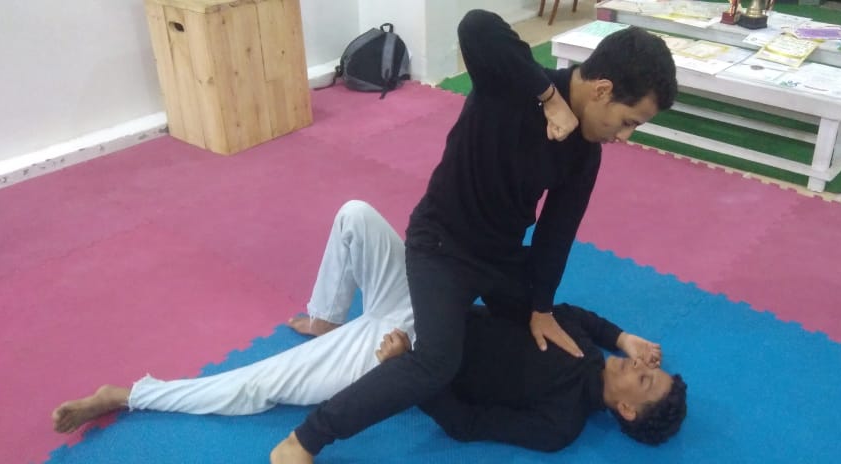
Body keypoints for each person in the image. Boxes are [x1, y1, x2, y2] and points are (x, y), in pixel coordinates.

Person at [274, 9, 679, 462]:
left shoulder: (585, 153)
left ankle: (455, 346)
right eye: (628, 121)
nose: (625, 136)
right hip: (442, 246)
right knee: (435, 364)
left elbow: (556, 234)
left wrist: (541, 308)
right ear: (602, 90)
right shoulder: (510, 82)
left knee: (553, 325)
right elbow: (476, 26)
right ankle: (303, 441)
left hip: (500, 257)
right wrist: (548, 97)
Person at [52, 201, 687, 453]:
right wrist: (622, 337)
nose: (642, 367)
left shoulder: (559, 424)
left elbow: (468, 424)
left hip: (403, 351)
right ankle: (325, 318)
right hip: (427, 299)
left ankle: (129, 395)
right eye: (649, 366)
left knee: (257, 386)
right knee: (355, 215)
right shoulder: (587, 347)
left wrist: (404, 366)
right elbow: (567, 313)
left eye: (645, 380)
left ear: (628, 412)